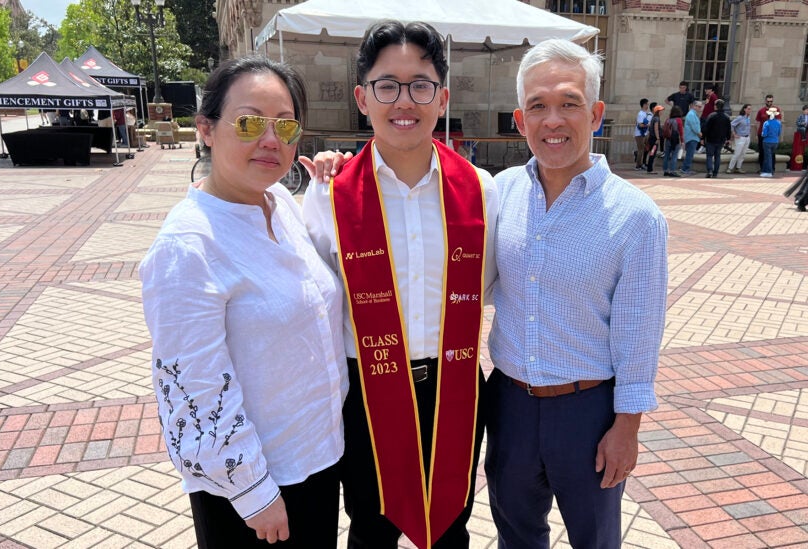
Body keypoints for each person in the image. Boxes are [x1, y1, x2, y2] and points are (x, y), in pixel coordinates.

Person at [301, 20, 498, 549]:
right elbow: (313, 301)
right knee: (370, 527)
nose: (404, 100)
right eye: (387, 85)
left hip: (454, 380)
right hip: (365, 388)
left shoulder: (482, 191)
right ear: (363, 98)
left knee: (453, 525)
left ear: (442, 97)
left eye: (420, 84)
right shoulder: (328, 195)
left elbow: (500, 281)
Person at [139, 56, 348, 548]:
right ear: (206, 129)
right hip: (254, 487)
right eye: (250, 122)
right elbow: (193, 388)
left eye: (286, 125)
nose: (271, 140)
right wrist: (252, 491)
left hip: (316, 458)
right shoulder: (188, 245)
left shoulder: (280, 207)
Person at [486, 38, 668, 549]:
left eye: (569, 103)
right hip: (509, 404)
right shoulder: (499, 193)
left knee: (595, 539)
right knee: (515, 535)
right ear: (520, 120)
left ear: (596, 114)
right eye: (539, 106)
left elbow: (638, 331)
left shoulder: (636, 217)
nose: (553, 120)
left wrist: (626, 428)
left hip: (589, 412)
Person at [702, 99, 732, 178]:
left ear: (716, 106)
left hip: (711, 139)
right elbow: (729, 129)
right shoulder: (726, 117)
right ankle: (715, 173)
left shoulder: (711, 116)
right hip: (721, 139)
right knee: (717, 156)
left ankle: (709, 171)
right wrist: (728, 139)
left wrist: (702, 138)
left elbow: (706, 128)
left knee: (709, 156)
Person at [756, 95, 782, 173]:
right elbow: (757, 122)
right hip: (762, 134)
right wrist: (757, 134)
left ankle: (772, 169)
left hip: (772, 136)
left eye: (771, 101)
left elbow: (779, 122)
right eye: (768, 101)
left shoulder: (776, 110)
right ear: (765, 101)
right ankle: (762, 168)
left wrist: (778, 135)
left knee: (772, 153)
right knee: (762, 152)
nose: (770, 103)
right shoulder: (761, 111)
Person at [726, 104, 752, 174]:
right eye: (748, 109)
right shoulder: (740, 118)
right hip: (740, 137)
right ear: (745, 109)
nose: (750, 110)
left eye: (750, 109)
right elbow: (732, 124)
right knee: (737, 153)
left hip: (747, 137)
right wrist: (734, 134)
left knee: (743, 154)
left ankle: (738, 167)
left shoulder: (748, 118)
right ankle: (730, 168)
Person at [681, 100, 703, 175]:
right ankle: (685, 169)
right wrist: (699, 133)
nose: (700, 108)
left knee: (690, 154)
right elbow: (694, 126)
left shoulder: (693, 114)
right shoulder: (691, 114)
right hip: (691, 137)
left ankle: (686, 168)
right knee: (689, 154)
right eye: (699, 106)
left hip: (692, 137)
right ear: (694, 106)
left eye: (701, 106)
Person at [662, 105, 684, 177]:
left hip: (668, 139)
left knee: (667, 155)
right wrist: (682, 141)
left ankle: (665, 170)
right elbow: (681, 132)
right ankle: (672, 171)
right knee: (674, 155)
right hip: (675, 140)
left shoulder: (668, 119)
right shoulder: (679, 120)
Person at [760, 106, 782, 178]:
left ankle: (769, 172)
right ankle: (765, 171)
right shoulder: (778, 123)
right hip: (775, 141)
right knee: (770, 157)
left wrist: (763, 134)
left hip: (767, 141)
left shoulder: (766, 123)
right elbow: (779, 133)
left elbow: (764, 134)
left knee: (768, 157)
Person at [645, 104, 663, 174]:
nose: (662, 112)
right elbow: (656, 129)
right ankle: (650, 169)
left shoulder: (653, 118)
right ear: (658, 111)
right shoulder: (656, 119)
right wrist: (658, 138)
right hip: (654, 139)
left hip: (651, 138)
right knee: (652, 153)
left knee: (651, 153)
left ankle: (650, 168)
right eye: (661, 110)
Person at [634, 98, 650, 170]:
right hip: (639, 134)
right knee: (641, 150)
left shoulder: (645, 113)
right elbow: (640, 125)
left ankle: (641, 163)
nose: (647, 106)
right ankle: (638, 165)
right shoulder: (640, 114)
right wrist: (648, 125)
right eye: (647, 104)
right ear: (643, 105)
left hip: (644, 133)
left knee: (643, 149)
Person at [790, 104, 808, 171]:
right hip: (801, 128)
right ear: (803, 111)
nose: (807, 111)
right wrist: (803, 123)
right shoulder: (801, 116)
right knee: (803, 129)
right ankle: (803, 138)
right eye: (806, 110)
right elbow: (797, 123)